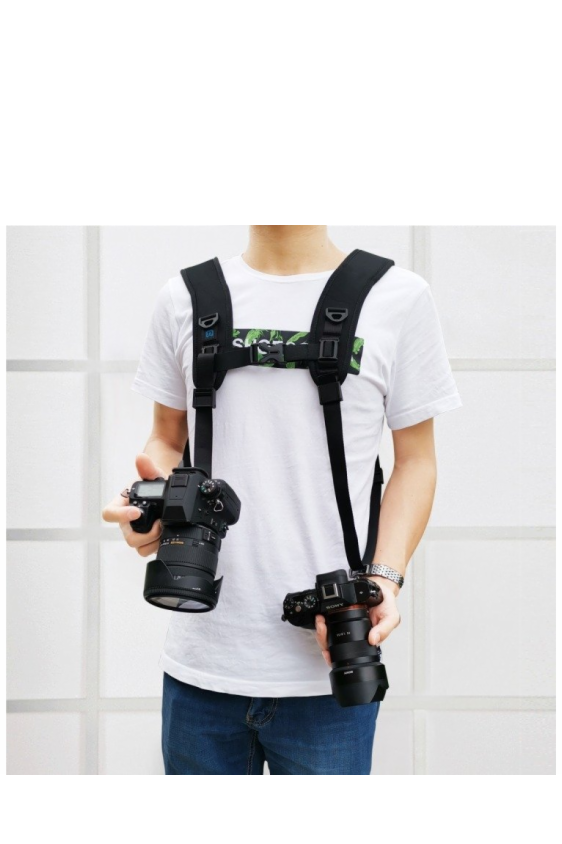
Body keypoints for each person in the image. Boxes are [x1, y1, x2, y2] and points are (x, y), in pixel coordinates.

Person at [103, 225, 461, 774]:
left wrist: (384, 579)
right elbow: (166, 439)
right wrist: (152, 507)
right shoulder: (185, 297)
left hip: (331, 664)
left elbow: (416, 461)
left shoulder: (398, 297)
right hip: (202, 658)